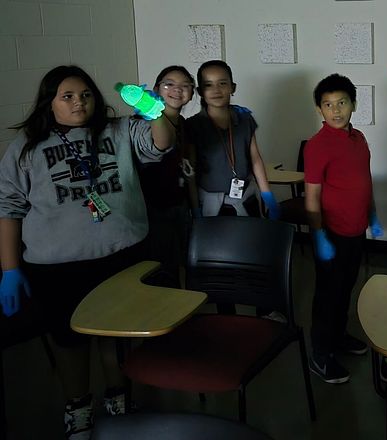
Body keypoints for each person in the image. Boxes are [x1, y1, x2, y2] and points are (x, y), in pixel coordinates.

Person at [0, 65, 175, 439]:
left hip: (121, 257)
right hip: (58, 266)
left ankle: (118, 400)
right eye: (67, 96)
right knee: (69, 341)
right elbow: (8, 208)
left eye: (85, 95)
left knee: (117, 336)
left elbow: (160, 145)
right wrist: (9, 269)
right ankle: (78, 408)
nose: (78, 102)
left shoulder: (120, 129)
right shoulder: (27, 146)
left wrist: (155, 112)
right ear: (49, 102)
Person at [304, 74, 382, 384]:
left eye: (342, 103)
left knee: (346, 287)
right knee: (328, 294)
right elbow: (312, 197)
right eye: (328, 105)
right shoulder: (317, 146)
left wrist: (372, 215)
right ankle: (320, 355)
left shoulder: (359, 138)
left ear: (354, 105)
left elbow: (365, 181)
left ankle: (337, 337)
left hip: (355, 230)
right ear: (319, 109)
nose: (335, 110)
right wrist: (319, 235)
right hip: (331, 233)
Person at [185, 60, 279, 220]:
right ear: (200, 91)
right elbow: (190, 172)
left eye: (222, 83)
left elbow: (255, 159)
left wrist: (267, 196)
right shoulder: (193, 125)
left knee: (252, 235)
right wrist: (195, 208)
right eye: (208, 85)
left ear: (232, 87)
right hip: (211, 205)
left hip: (246, 200)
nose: (216, 90)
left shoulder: (245, 119)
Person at [136, 66, 196, 286]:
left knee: (184, 262)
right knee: (162, 269)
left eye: (185, 86)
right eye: (169, 84)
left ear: (192, 93)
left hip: (180, 204)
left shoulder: (183, 124)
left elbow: (188, 167)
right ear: (156, 89)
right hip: (153, 209)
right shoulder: (143, 123)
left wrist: (195, 208)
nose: (177, 90)